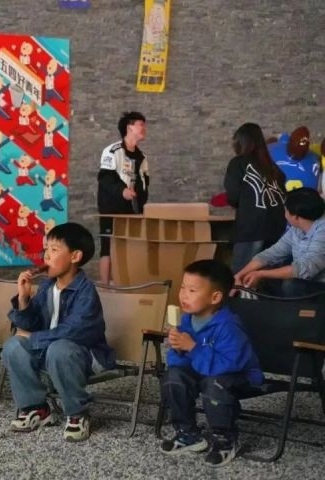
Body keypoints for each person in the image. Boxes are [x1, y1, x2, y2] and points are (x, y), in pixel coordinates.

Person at [2, 222, 115, 442]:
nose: (46, 255)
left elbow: (74, 331)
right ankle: (36, 408)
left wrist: (33, 338)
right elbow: (30, 323)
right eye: (46, 249)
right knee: (13, 345)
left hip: (82, 354)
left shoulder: (85, 291)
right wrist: (23, 299)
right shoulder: (47, 286)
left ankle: (77, 413)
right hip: (48, 348)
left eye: (54, 249)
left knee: (59, 348)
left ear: (75, 256)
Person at [161, 259, 263, 467]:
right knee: (173, 376)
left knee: (214, 383)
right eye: (182, 288)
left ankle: (225, 438)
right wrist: (178, 349)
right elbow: (176, 361)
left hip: (238, 377)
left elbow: (228, 365)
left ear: (215, 297)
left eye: (192, 290)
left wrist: (193, 348)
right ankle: (188, 433)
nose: (183, 295)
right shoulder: (186, 320)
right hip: (204, 371)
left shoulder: (228, 326)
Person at [224, 122, 287, 272]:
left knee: (242, 275)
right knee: (269, 276)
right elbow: (283, 194)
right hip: (277, 227)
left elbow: (232, 195)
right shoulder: (272, 166)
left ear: (241, 142)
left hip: (251, 228)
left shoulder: (238, 163)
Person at [234, 187, 325, 289]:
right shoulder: (297, 229)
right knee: (262, 279)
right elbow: (272, 253)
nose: (284, 213)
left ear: (295, 216)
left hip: (320, 286)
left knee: (290, 285)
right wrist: (240, 275)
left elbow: (306, 269)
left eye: (285, 210)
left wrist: (260, 274)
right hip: (305, 282)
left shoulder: (322, 231)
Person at [97, 111, 149, 284]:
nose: (144, 128)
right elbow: (105, 177)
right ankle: (105, 285)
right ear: (129, 127)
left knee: (130, 246)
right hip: (111, 209)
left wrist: (141, 203)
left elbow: (145, 182)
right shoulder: (112, 151)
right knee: (107, 246)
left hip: (132, 210)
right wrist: (122, 191)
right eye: (140, 124)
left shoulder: (143, 157)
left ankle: (126, 282)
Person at [268, 126, 321, 192]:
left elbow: (284, 137)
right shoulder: (314, 160)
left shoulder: (270, 150)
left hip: (273, 193)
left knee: (272, 140)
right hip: (306, 193)